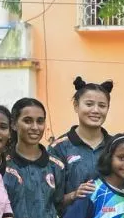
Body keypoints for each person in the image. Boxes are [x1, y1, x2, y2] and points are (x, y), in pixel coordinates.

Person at [3, 98, 65, 218]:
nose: (35, 127)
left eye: (40, 121)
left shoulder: (57, 166)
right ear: (14, 124)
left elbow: (59, 205)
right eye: (27, 121)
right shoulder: (2, 165)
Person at [49, 77, 114, 206]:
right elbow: (50, 199)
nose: (95, 110)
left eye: (102, 105)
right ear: (76, 106)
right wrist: (74, 195)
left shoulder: (115, 146)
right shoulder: (59, 148)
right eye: (89, 104)